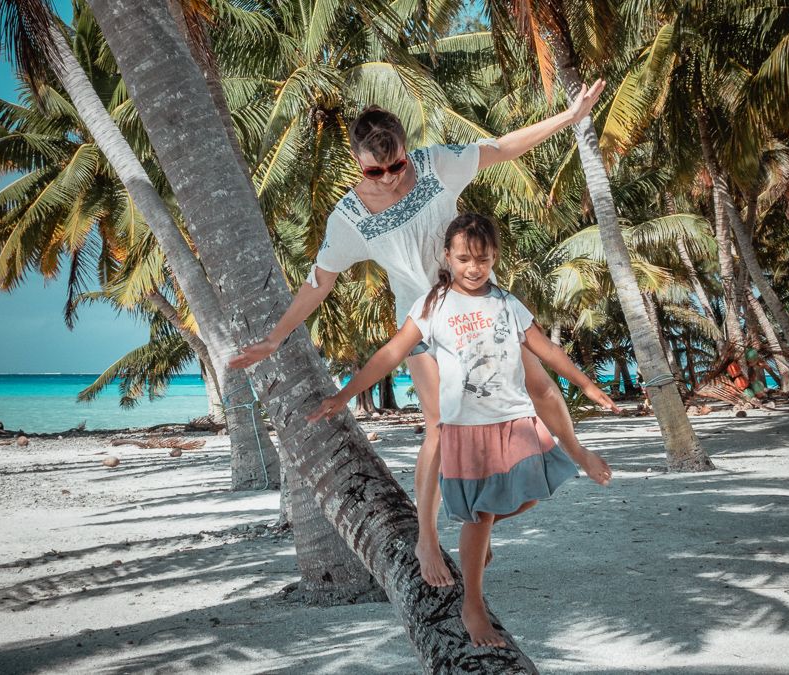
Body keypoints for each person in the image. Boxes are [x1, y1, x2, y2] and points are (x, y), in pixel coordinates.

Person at [229, 82, 610, 588]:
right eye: (374, 170)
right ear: (357, 161)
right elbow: (318, 283)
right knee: (439, 428)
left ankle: (535, 480)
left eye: (396, 166)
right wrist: (276, 338)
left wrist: (570, 116)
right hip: (424, 323)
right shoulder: (349, 217)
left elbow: (503, 146)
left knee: (538, 388)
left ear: (407, 152)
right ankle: (426, 539)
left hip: (477, 304)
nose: (387, 179)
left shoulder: (435, 165)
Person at [307, 214, 619, 647]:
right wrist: (345, 395)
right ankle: (473, 605)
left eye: (484, 260)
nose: (474, 268)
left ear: (495, 258)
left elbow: (545, 349)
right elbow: (391, 353)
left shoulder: (507, 304)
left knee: (533, 492)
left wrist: (585, 382)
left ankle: (480, 542)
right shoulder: (432, 306)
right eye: (465, 259)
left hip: (513, 421)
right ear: (447, 256)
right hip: (466, 431)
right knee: (481, 513)